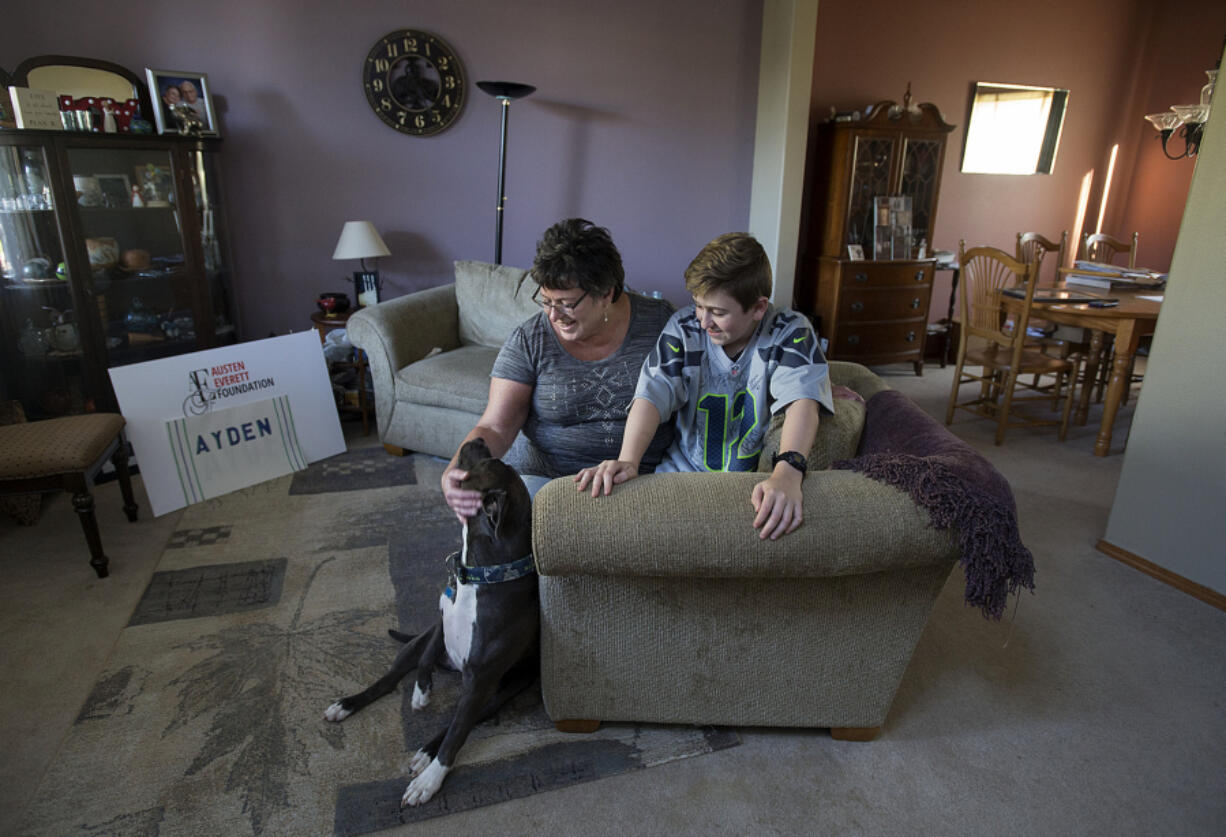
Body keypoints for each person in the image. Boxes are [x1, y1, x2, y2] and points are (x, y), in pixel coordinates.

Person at [575, 232, 834, 540]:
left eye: (718, 312)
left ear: (758, 308)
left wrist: (788, 473)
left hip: (747, 487)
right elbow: (652, 395)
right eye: (699, 305)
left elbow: (802, 403)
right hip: (679, 479)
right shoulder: (684, 328)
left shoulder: (790, 332)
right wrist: (629, 459)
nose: (703, 320)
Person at [441, 218, 676, 521]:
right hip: (551, 480)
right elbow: (496, 426)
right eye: (546, 301)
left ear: (606, 292)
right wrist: (457, 469)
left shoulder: (661, 324)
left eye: (566, 303)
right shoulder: (530, 340)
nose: (554, 315)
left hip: (644, 477)